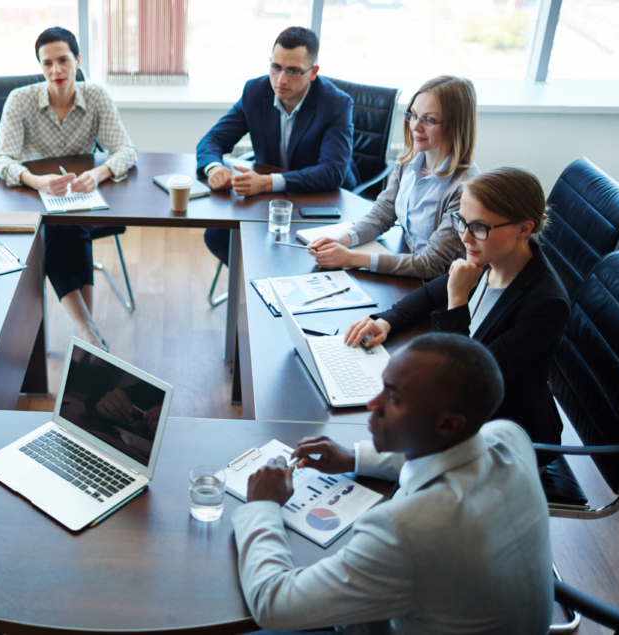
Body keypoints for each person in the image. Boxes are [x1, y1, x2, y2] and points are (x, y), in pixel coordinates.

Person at [234, 333, 553, 634]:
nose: (374, 404)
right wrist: (354, 457)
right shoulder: (509, 436)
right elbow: (452, 451)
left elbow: (272, 605)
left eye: (394, 399)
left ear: (447, 423)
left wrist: (263, 504)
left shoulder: (406, 530)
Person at [344, 167, 570, 452]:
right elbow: (427, 295)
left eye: (479, 227)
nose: (465, 237)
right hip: (463, 412)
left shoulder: (546, 304)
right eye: (461, 222)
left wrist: (457, 299)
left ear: (524, 228)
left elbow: (466, 379)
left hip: (507, 435)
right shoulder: (492, 255)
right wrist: (386, 322)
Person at [0, 26, 138, 350]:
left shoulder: (96, 96)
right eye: (47, 63)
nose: (56, 70)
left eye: (63, 60)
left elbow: (126, 151)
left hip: (79, 193)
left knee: (72, 226)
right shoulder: (21, 100)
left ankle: (86, 331)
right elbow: (0, 158)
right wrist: (36, 180)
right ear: (40, 66)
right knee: (57, 230)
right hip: (31, 196)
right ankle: (88, 329)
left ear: (78, 60)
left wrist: (99, 173)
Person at [196, 26, 359, 266]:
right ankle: (258, 283)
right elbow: (212, 140)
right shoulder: (255, 91)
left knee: (303, 256)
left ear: (313, 72)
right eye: (275, 67)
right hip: (268, 200)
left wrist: (266, 182)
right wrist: (213, 168)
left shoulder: (336, 103)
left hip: (322, 200)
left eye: (293, 71)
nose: (281, 80)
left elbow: (332, 172)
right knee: (217, 236)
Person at [308, 76, 480, 278]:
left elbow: (432, 263)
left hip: (440, 283)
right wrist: (342, 239)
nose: (415, 126)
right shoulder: (409, 162)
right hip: (405, 262)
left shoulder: (464, 188)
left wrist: (350, 258)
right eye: (414, 115)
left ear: (456, 125)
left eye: (429, 120)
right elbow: (382, 215)